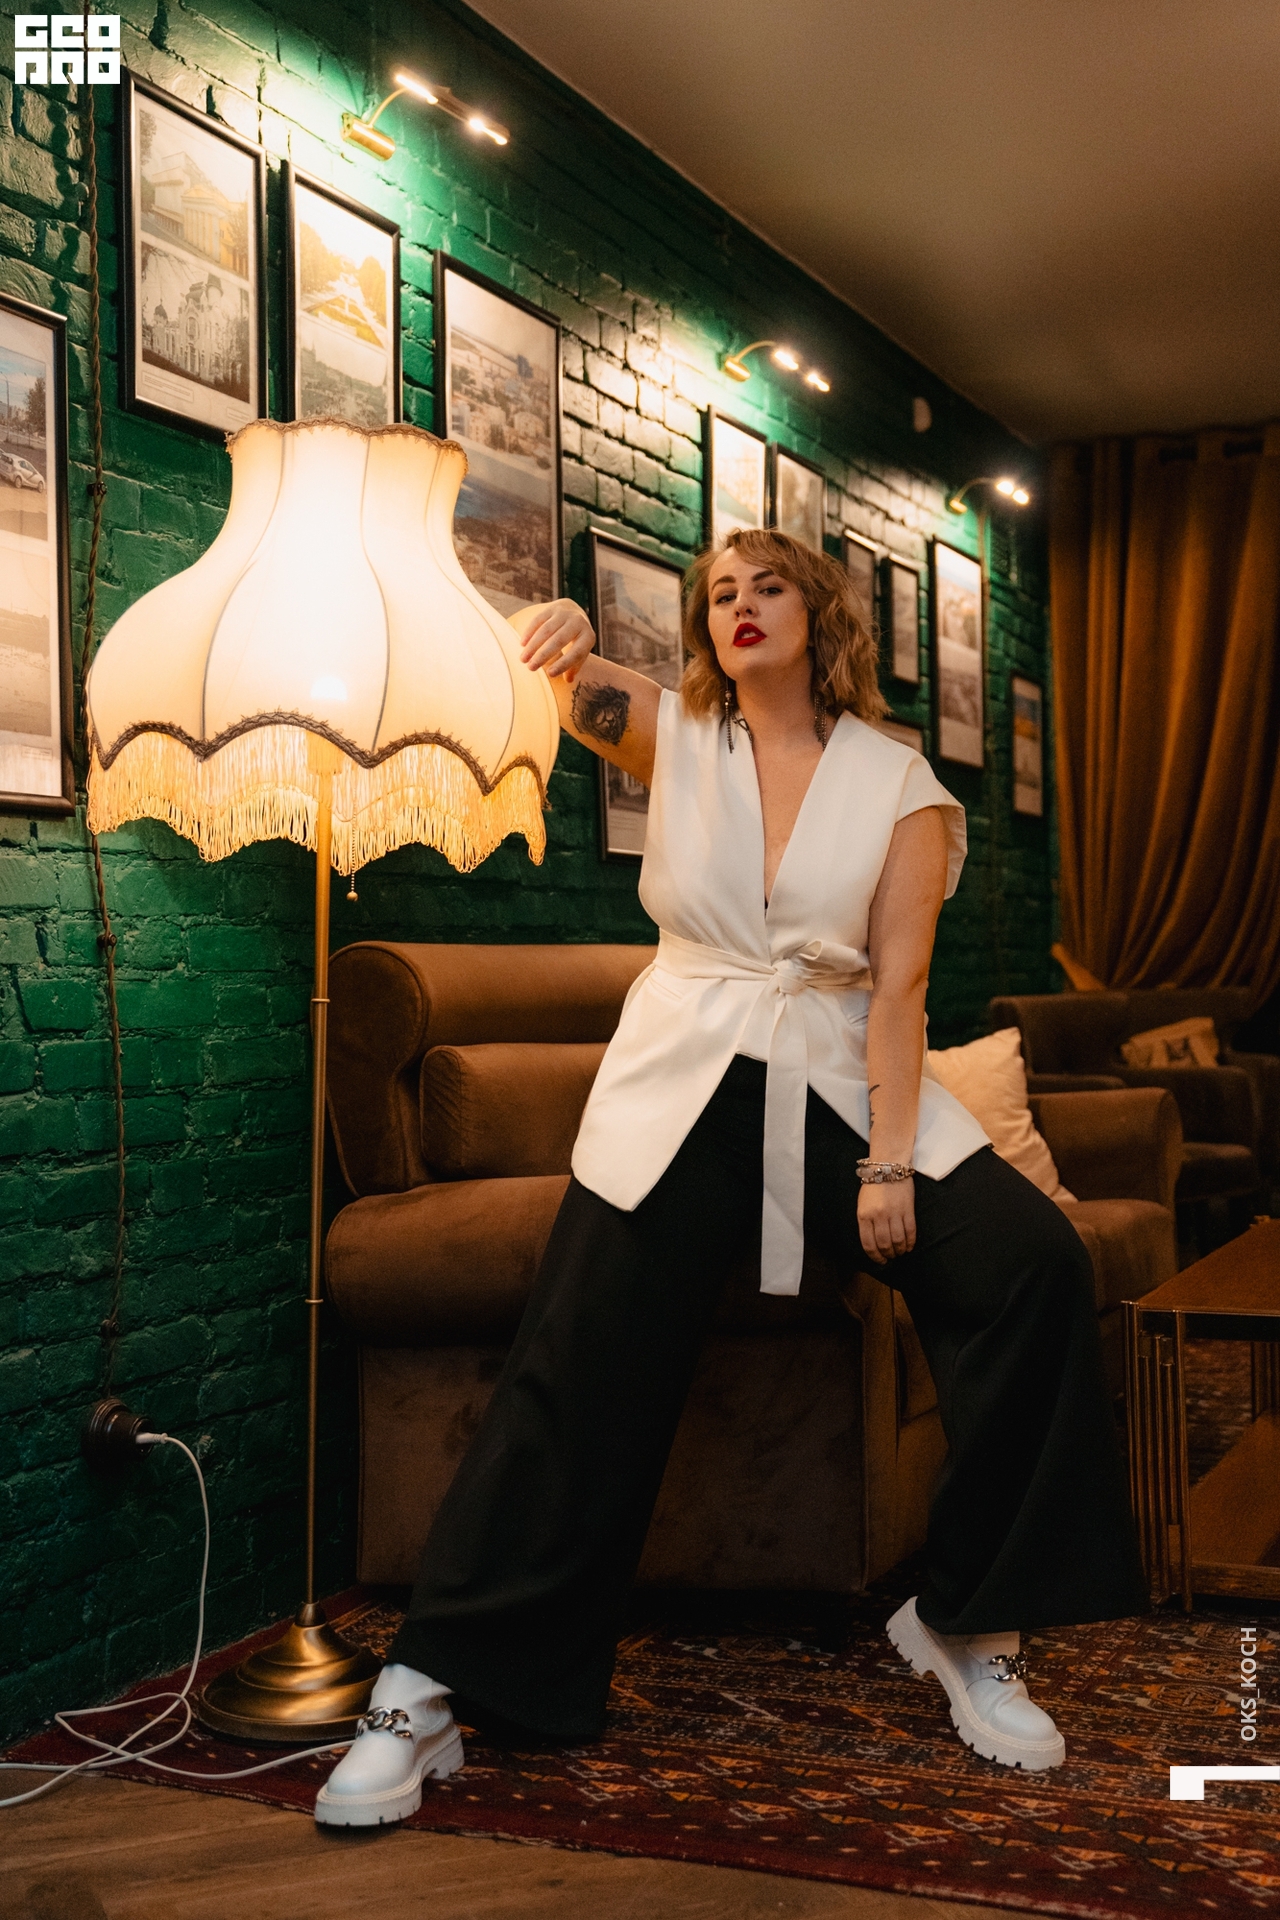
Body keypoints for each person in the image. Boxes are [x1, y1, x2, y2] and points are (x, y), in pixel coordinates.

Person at [315, 529, 1149, 1828]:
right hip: (680, 1082)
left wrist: (888, 1164)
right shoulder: (677, 734)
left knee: (1030, 1263)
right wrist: (551, 624)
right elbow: (549, 673)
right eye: (719, 593)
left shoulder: (901, 785)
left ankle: (968, 1621)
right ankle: (430, 1686)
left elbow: (902, 990)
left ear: (821, 614)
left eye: (767, 587)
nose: (740, 606)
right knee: (574, 1357)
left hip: (842, 1082)